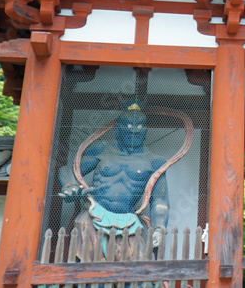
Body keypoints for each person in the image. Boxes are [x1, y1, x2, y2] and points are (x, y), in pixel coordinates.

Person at [58, 103, 170, 255]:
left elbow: (160, 200)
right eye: (128, 125)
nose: (134, 130)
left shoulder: (154, 161)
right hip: (94, 215)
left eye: (139, 126)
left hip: (128, 221)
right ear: (117, 130)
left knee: (135, 265)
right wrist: (70, 186)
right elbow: (69, 170)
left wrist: (158, 229)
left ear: (145, 131)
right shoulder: (103, 150)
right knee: (87, 264)